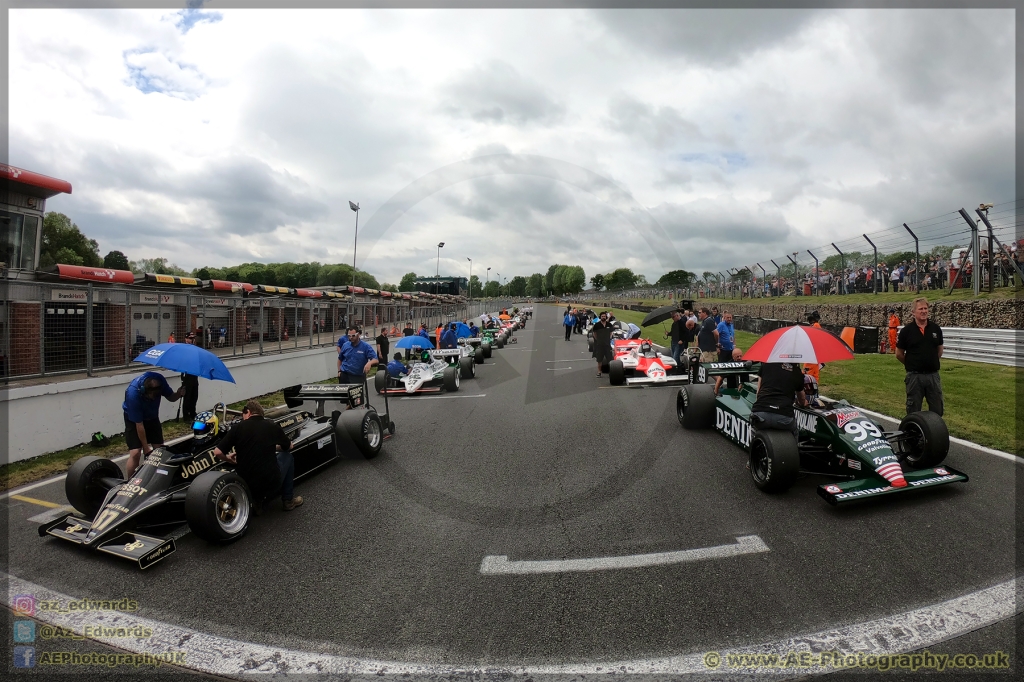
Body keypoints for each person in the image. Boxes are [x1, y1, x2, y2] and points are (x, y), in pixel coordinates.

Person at [213, 400, 302, 512]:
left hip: (246, 485)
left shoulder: (237, 428)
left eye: (243, 414)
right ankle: (288, 501)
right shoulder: (271, 425)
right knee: (288, 456)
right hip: (271, 482)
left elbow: (217, 452)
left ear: (248, 412)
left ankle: (257, 501)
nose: (242, 417)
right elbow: (289, 446)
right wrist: (271, 447)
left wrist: (228, 459)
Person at [123, 371, 186, 476]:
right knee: (135, 453)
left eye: (155, 397)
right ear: (144, 391)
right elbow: (139, 425)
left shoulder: (160, 381)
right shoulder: (133, 394)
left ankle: (157, 479)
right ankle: (129, 481)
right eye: (150, 397)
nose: (153, 399)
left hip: (152, 417)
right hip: (134, 419)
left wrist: (178, 394)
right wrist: (146, 448)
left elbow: (171, 397)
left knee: (160, 451)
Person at [895, 298, 944, 416]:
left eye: (925, 308)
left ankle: (935, 432)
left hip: (933, 376)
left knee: (937, 409)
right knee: (913, 410)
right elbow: (899, 354)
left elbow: (939, 350)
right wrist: (912, 363)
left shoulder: (935, 329)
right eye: (920, 309)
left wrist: (929, 361)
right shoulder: (907, 331)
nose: (924, 311)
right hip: (914, 377)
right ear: (913, 312)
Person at [750, 362, 808, 435]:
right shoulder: (797, 371)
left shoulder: (766, 365)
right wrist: (803, 403)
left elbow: (758, 392)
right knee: (795, 431)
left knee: (754, 430)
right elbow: (802, 400)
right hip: (784, 416)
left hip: (761, 411)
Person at [714, 311, 735, 396]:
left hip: (731, 350)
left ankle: (732, 388)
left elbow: (733, 336)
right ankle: (717, 389)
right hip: (723, 350)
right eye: (727, 318)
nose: (729, 319)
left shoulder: (732, 325)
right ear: (724, 318)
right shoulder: (721, 325)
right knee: (722, 371)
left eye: (730, 317)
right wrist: (717, 346)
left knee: (732, 370)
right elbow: (716, 333)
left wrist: (734, 346)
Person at [180, 332, 200, 423]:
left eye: (193, 338)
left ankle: (193, 413)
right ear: (186, 339)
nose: (192, 340)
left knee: (194, 396)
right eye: (191, 338)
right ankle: (186, 416)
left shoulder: (195, 348)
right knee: (187, 397)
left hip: (194, 374)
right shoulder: (184, 349)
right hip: (187, 375)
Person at [591, 311, 614, 377]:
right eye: (602, 316)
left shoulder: (609, 325)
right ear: (600, 317)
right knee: (599, 359)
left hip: (607, 345)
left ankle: (611, 372)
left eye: (604, 316)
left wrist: (608, 339)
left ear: (606, 317)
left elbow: (611, 333)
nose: (603, 317)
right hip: (600, 345)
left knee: (610, 359)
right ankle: (599, 372)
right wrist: (598, 340)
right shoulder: (597, 325)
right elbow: (594, 334)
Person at [803, 311, 822, 384]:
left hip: (811, 354)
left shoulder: (815, 326)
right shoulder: (817, 325)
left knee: (806, 374)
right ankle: (814, 390)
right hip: (816, 354)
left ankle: (806, 391)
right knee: (815, 375)